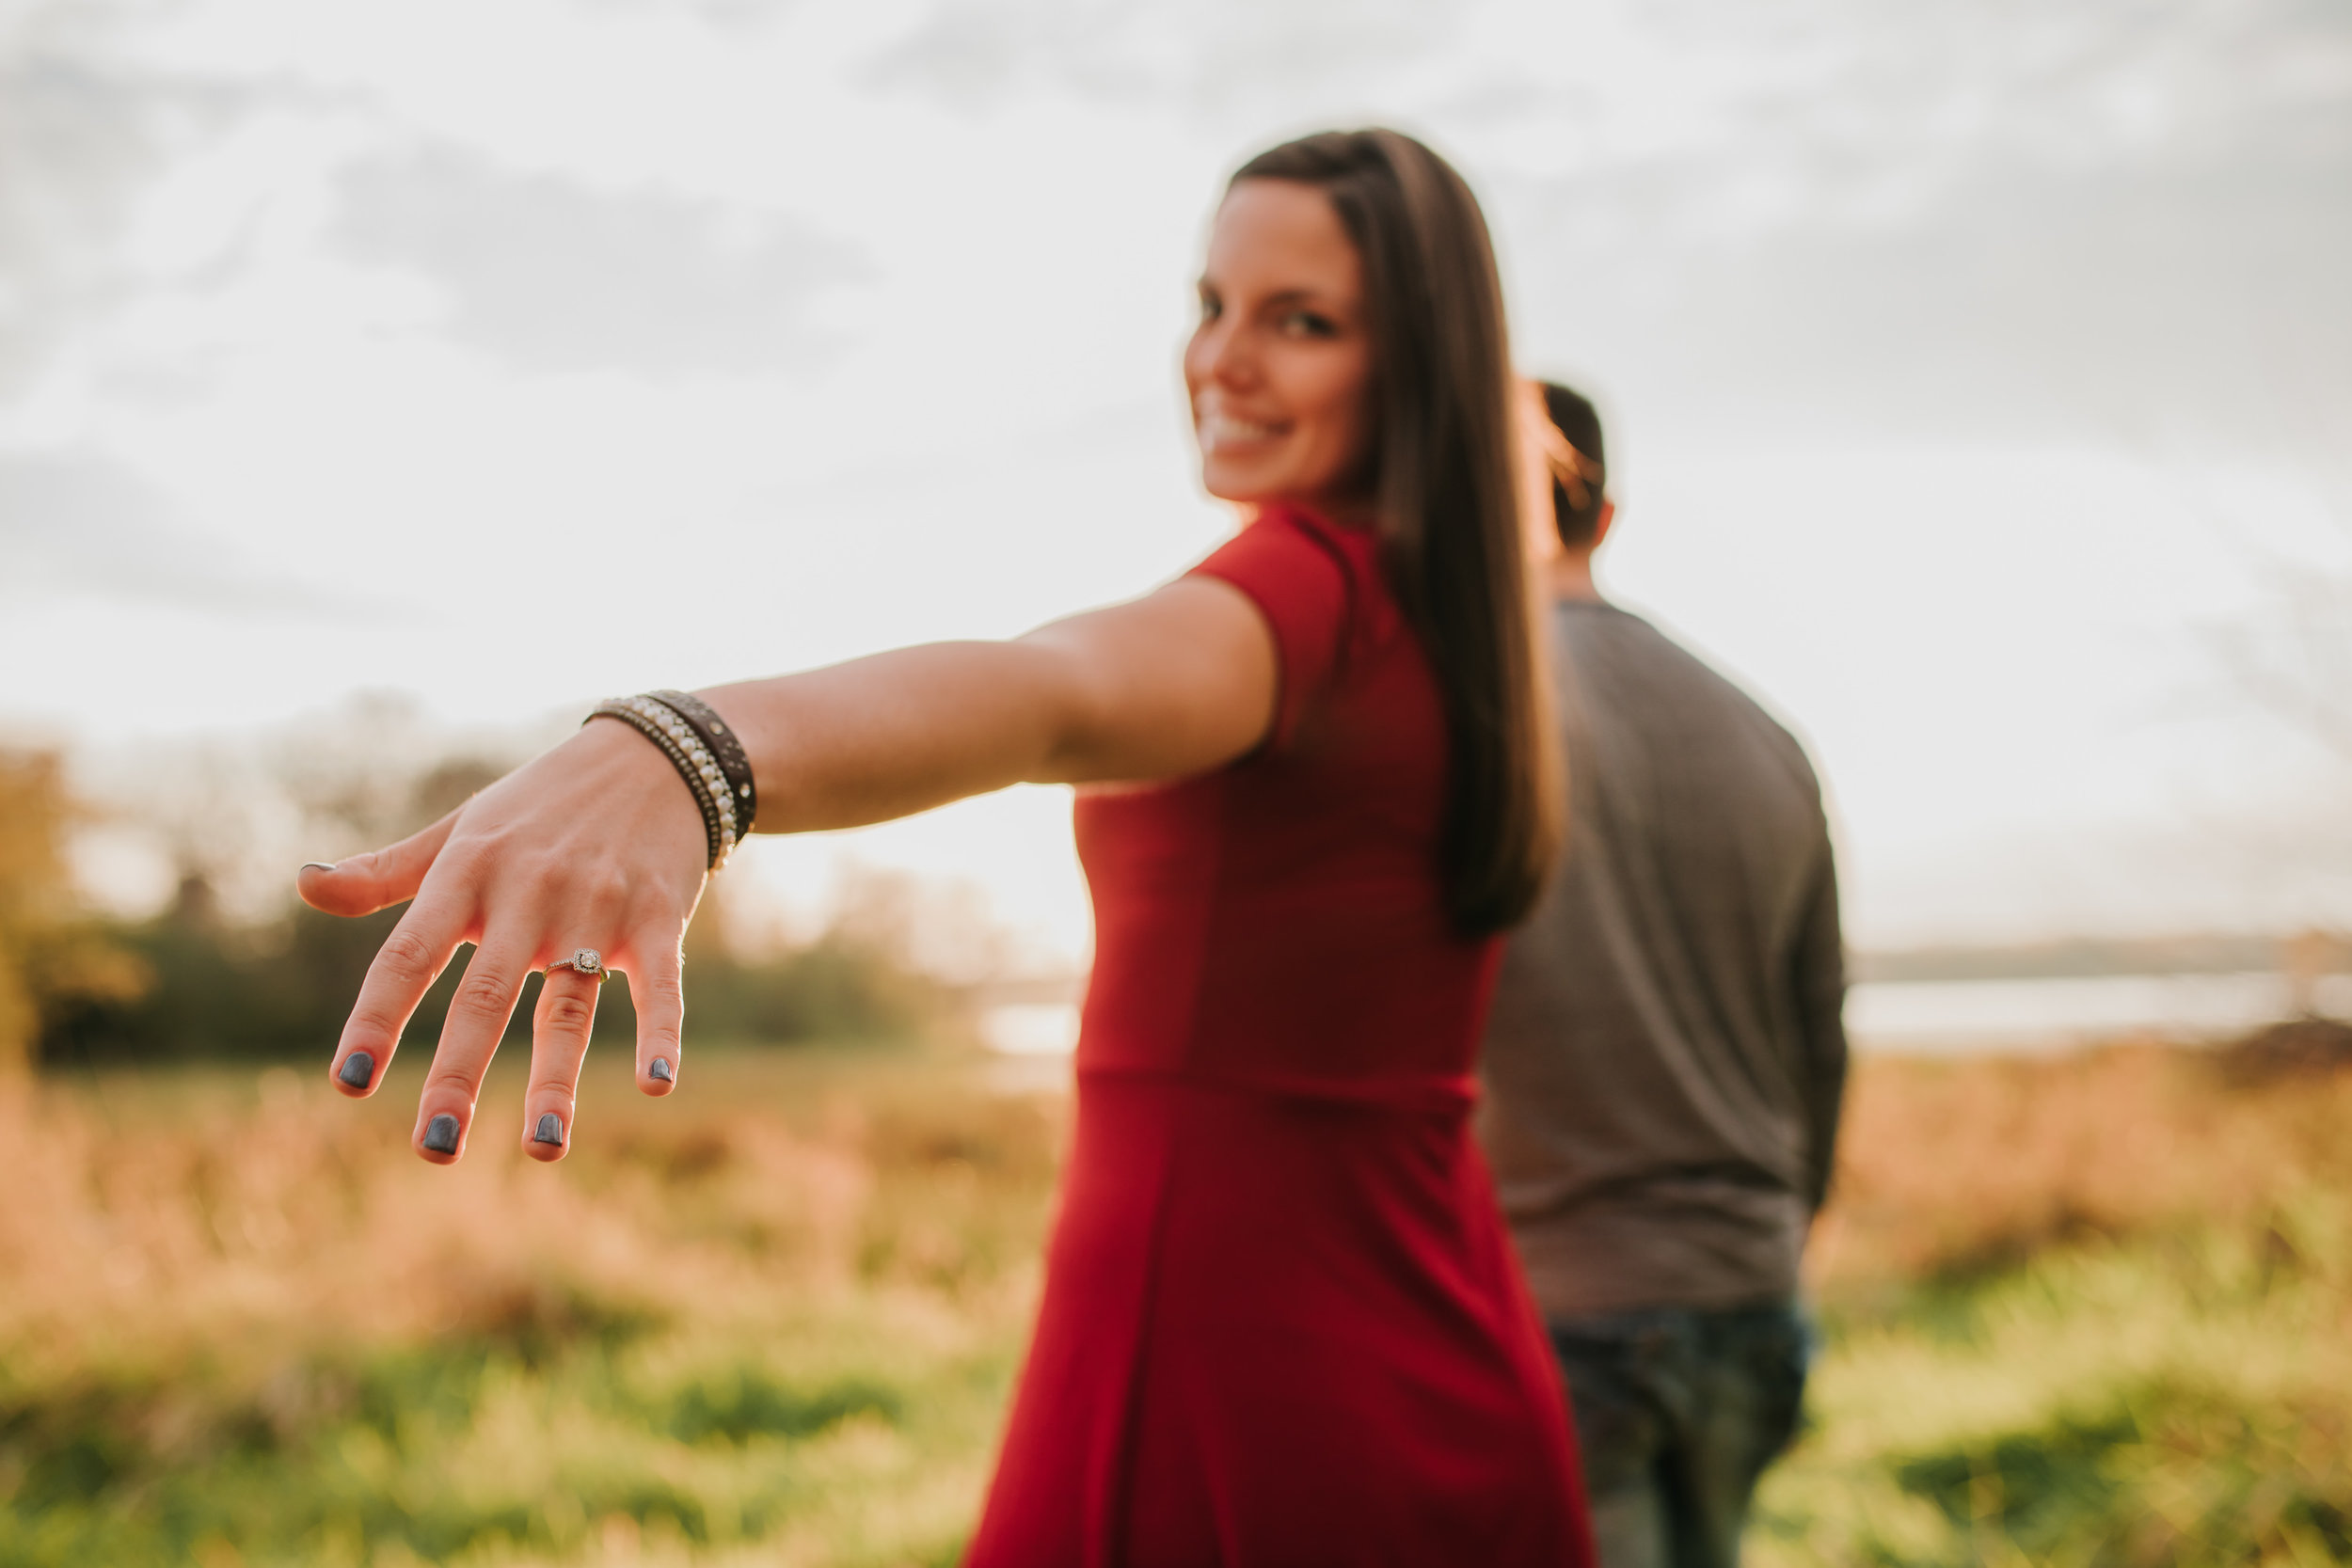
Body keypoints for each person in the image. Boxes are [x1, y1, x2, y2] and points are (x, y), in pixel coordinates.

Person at [299, 130, 1596, 1566]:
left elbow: (1046, 690)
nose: (1222, 359)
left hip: (1248, 1385)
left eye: (1301, 322)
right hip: (1433, 1349)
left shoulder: (1302, 594)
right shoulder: (1459, 625)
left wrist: (690, 750)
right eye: (1211, 303)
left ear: (1417, 362)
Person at [1478, 382, 1848, 1568]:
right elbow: (1818, 1038)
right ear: (1608, 514)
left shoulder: (1475, 728)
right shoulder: (1762, 735)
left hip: (1560, 1308)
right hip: (1749, 1294)